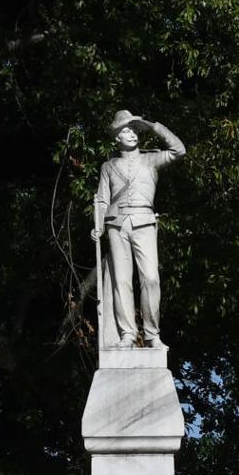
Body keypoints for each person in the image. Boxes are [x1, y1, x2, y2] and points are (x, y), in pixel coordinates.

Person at [91, 110, 186, 348]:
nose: (131, 134)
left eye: (134, 130)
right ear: (117, 138)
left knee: (151, 279)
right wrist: (98, 224)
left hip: (144, 220)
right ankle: (128, 335)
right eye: (126, 130)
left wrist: (152, 125)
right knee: (121, 282)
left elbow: (179, 150)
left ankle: (152, 335)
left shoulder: (151, 159)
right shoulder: (108, 166)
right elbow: (102, 199)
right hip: (116, 223)